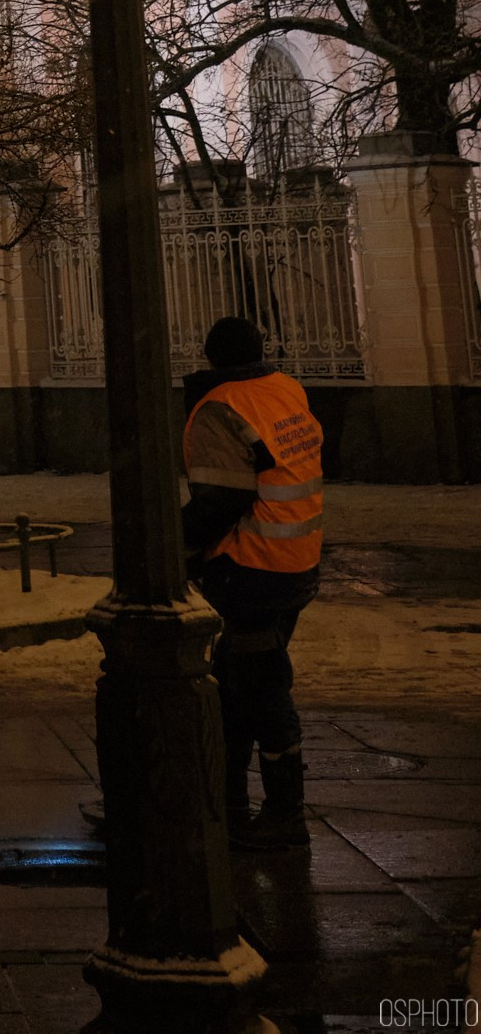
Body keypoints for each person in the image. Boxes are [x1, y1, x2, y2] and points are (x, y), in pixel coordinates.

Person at [182, 312, 324, 849]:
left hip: (252, 567)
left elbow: (222, 498)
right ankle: (230, 800)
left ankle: (284, 813)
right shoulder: (283, 388)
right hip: (297, 560)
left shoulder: (221, 406)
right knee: (236, 680)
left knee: (261, 688)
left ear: (211, 357)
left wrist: (177, 545)